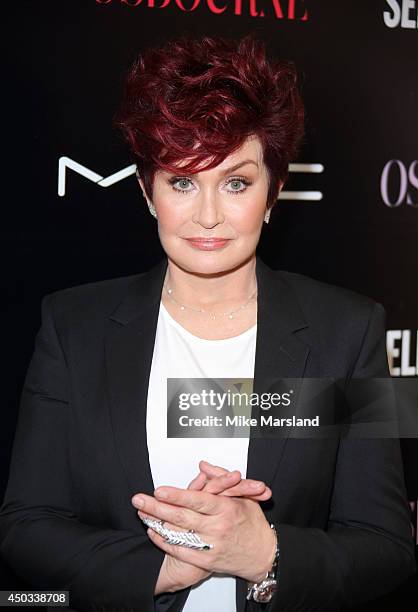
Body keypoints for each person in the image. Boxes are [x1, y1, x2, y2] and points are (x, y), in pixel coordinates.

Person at [0, 33, 415, 612]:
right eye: (183, 181)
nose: (210, 215)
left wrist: (263, 553)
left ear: (274, 194)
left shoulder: (350, 332)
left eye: (237, 182)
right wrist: (160, 569)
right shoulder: (73, 327)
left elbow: (387, 544)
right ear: (147, 191)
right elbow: (27, 524)